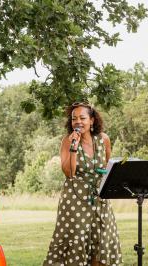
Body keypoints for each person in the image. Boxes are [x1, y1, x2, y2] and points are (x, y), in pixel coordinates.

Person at [43, 102, 122, 266]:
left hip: (100, 200)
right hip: (75, 201)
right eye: (74, 119)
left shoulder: (104, 139)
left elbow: (107, 167)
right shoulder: (67, 141)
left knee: (101, 240)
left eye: (82, 118)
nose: (78, 121)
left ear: (92, 120)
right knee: (77, 240)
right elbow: (69, 173)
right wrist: (74, 147)